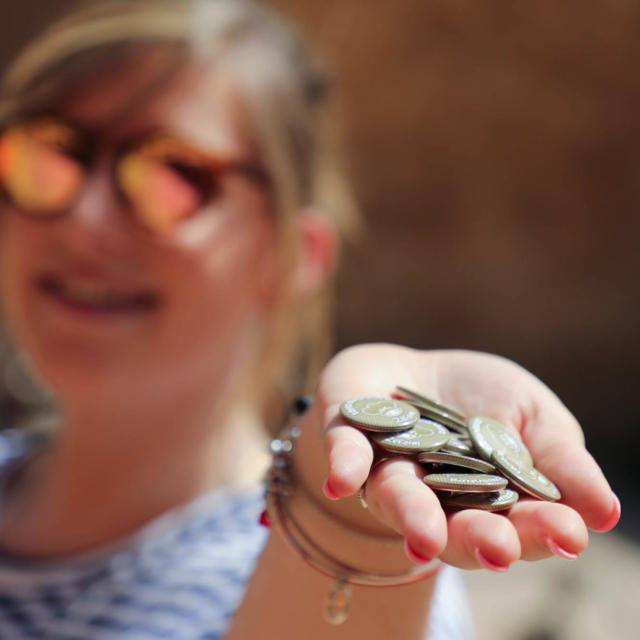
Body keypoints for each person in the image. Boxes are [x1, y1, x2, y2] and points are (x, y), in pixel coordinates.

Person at [0, 1, 619, 638]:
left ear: (295, 255)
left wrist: (354, 523)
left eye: (174, 174)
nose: (85, 218)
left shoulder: (277, 572)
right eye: (48, 156)